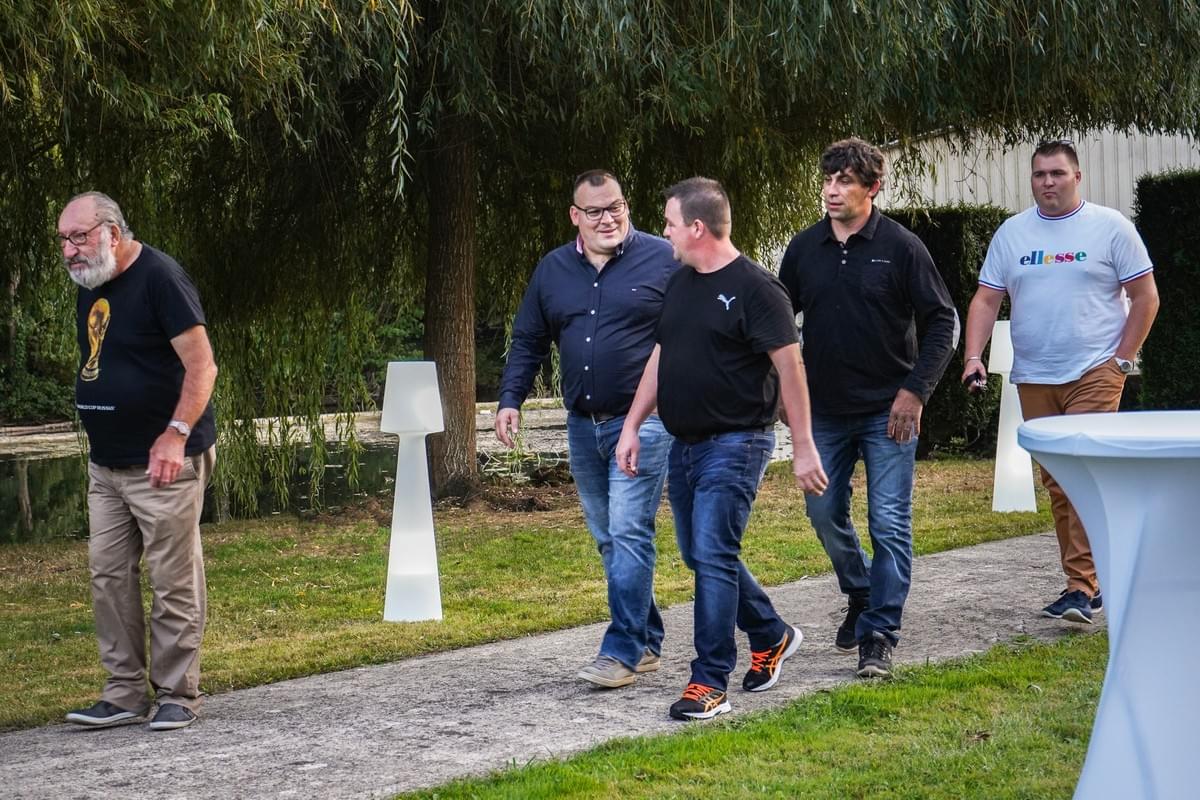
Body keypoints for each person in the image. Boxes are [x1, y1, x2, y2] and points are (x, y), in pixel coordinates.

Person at [615, 177, 828, 721]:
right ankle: (771, 632)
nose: (663, 233)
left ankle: (709, 681)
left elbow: (791, 369)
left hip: (738, 442)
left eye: (669, 223)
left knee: (712, 555)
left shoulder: (758, 289)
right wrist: (632, 424)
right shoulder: (681, 283)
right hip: (685, 445)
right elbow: (661, 357)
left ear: (696, 227)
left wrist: (804, 447)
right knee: (701, 554)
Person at [778, 138, 957, 679]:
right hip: (825, 412)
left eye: (845, 181)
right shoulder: (804, 249)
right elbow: (776, 325)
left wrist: (915, 391)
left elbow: (942, 322)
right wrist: (785, 392)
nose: (832, 190)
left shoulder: (902, 247)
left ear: (873, 188)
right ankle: (860, 592)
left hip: (889, 413)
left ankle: (879, 634)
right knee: (823, 513)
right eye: (827, 179)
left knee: (889, 522)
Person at [963, 139, 1159, 624]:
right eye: (1039, 174)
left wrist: (1121, 361)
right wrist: (973, 357)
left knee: (1081, 472)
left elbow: (1145, 296)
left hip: (1095, 371)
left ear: (1077, 177)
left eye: (1057, 173)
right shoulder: (1012, 233)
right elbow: (986, 299)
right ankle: (1095, 579)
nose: (1047, 182)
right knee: (1057, 481)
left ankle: (1080, 586)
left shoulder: (1110, 227)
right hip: (1035, 374)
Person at [496, 170, 677, 689]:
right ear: (575, 216)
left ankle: (621, 651)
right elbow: (528, 340)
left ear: (626, 206)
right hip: (582, 425)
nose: (607, 218)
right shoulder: (553, 269)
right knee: (608, 539)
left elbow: (689, 333)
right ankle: (647, 640)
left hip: (645, 422)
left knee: (628, 530)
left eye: (615, 206)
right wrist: (510, 400)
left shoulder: (663, 259)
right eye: (594, 211)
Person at [58, 192, 218, 731]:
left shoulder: (160, 278)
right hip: (107, 465)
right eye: (64, 240)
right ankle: (124, 692)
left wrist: (175, 435)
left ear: (112, 231)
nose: (69, 250)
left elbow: (203, 367)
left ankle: (178, 693)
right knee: (107, 577)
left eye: (79, 237)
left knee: (172, 578)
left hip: (164, 462)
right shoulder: (91, 283)